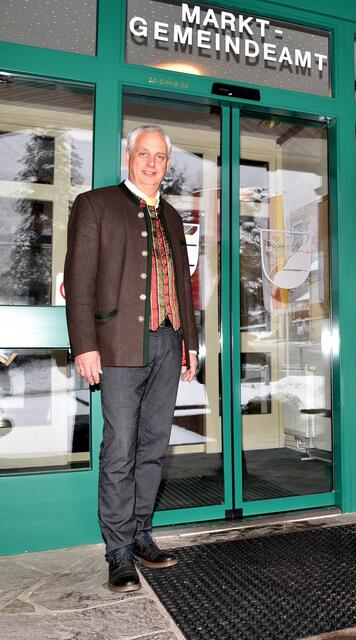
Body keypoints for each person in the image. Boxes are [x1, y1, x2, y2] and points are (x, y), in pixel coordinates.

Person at [65, 125, 199, 592]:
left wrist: (190, 344)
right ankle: (117, 548)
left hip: (167, 343)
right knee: (120, 447)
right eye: (144, 154)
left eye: (160, 156)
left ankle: (141, 533)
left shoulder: (175, 216)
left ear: (166, 164)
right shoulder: (94, 205)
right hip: (117, 346)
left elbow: (183, 285)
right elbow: (79, 281)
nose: (151, 163)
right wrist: (85, 344)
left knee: (153, 447)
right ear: (129, 156)